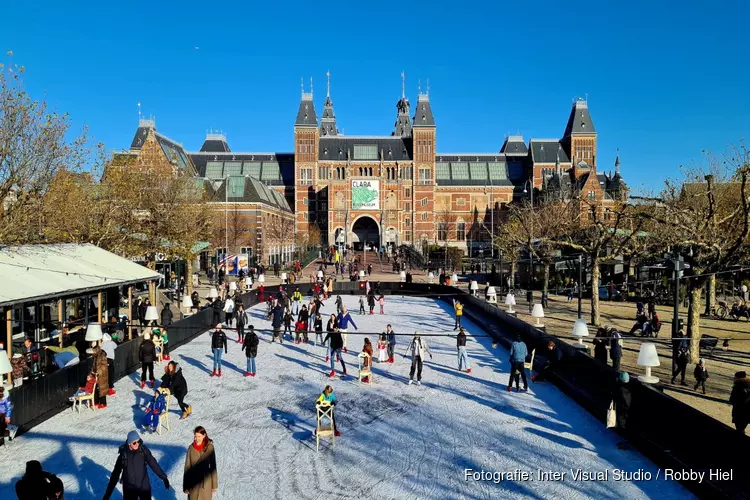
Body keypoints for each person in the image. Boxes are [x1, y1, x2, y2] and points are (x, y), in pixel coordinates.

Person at [104, 430, 170, 500]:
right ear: (129, 443)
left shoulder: (143, 450)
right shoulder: (123, 455)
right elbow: (115, 475)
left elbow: (153, 463)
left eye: (138, 441)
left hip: (143, 485)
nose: (137, 444)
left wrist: (164, 477)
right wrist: (108, 494)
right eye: (134, 443)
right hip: (129, 487)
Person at [183, 426, 218, 500]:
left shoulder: (210, 448)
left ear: (204, 435)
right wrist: (186, 486)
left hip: (206, 482)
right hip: (193, 483)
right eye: (195, 436)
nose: (196, 438)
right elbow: (187, 467)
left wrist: (214, 484)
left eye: (199, 436)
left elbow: (213, 466)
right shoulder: (191, 448)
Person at [612, 372, 632, 439]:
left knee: (621, 422)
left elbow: (615, 395)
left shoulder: (620, 388)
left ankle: (623, 438)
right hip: (627, 408)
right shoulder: (629, 387)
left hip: (621, 408)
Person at [91, 344, 110, 408]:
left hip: (102, 375)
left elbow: (104, 366)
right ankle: (96, 401)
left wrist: (98, 371)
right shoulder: (95, 356)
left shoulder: (102, 355)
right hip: (96, 375)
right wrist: (92, 372)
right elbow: (94, 365)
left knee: (102, 388)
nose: (93, 352)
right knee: (95, 388)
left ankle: (103, 403)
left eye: (94, 350)